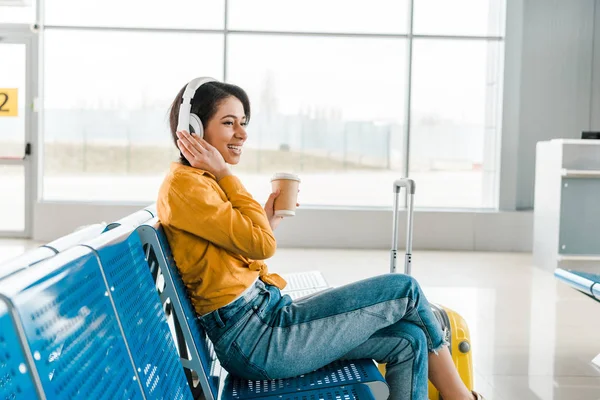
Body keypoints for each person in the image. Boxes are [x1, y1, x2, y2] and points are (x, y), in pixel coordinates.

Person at [156, 79, 485, 400]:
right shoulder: (189, 186)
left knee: (408, 340)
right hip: (259, 338)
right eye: (229, 123)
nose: (242, 133)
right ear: (194, 130)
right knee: (405, 290)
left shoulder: (200, 183)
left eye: (243, 123)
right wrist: (228, 177)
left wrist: (267, 220)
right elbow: (261, 246)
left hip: (261, 323)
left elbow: (239, 253)